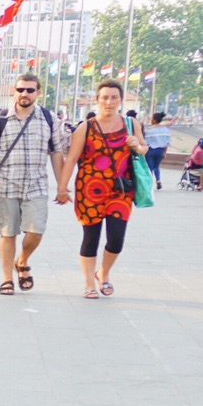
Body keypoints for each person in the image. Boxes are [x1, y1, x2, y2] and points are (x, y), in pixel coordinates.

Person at [0, 74, 65, 295]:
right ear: (14, 92)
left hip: (36, 186)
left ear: (38, 92)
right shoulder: (1, 119)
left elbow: (56, 152)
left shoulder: (48, 118)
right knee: (8, 233)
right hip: (6, 185)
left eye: (29, 90)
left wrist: (62, 186)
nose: (24, 94)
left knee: (36, 232)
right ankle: (7, 278)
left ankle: (23, 260)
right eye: (20, 90)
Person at [58, 81, 139, 298]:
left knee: (116, 238)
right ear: (97, 99)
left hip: (120, 191)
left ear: (121, 100)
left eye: (113, 97)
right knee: (91, 237)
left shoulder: (131, 124)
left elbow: (143, 149)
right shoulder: (87, 127)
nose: (109, 102)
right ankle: (88, 284)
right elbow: (72, 158)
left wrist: (136, 145)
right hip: (89, 190)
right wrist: (62, 188)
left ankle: (103, 273)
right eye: (105, 97)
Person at [142, 112, 171, 181]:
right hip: (161, 150)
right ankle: (158, 180)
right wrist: (165, 152)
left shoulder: (149, 130)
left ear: (154, 120)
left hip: (151, 150)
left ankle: (150, 182)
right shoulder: (166, 130)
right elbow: (167, 143)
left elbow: (147, 143)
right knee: (156, 166)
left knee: (150, 167)